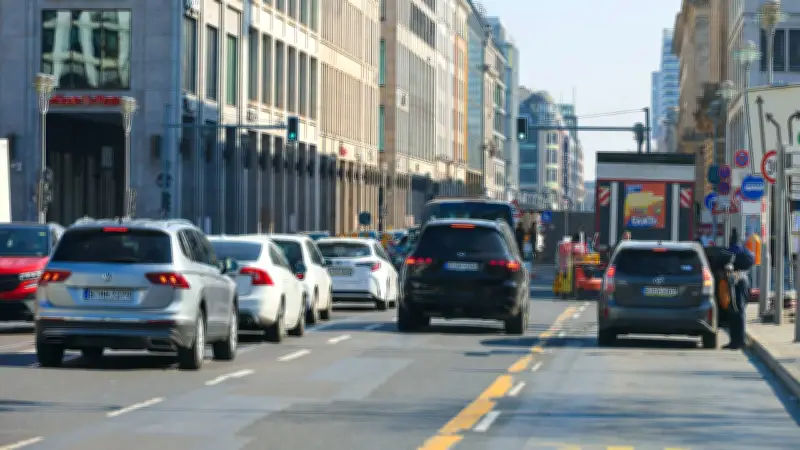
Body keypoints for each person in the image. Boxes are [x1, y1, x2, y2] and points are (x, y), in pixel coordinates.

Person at [725, 228, 755, 350]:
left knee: (735, 310)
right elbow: (751, 260)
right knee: (739, 310)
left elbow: (719, 261)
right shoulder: (745, 252)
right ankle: (738, 340)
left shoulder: (728, 251)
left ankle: (737, 340)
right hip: (743, 280)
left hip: (733, 281)